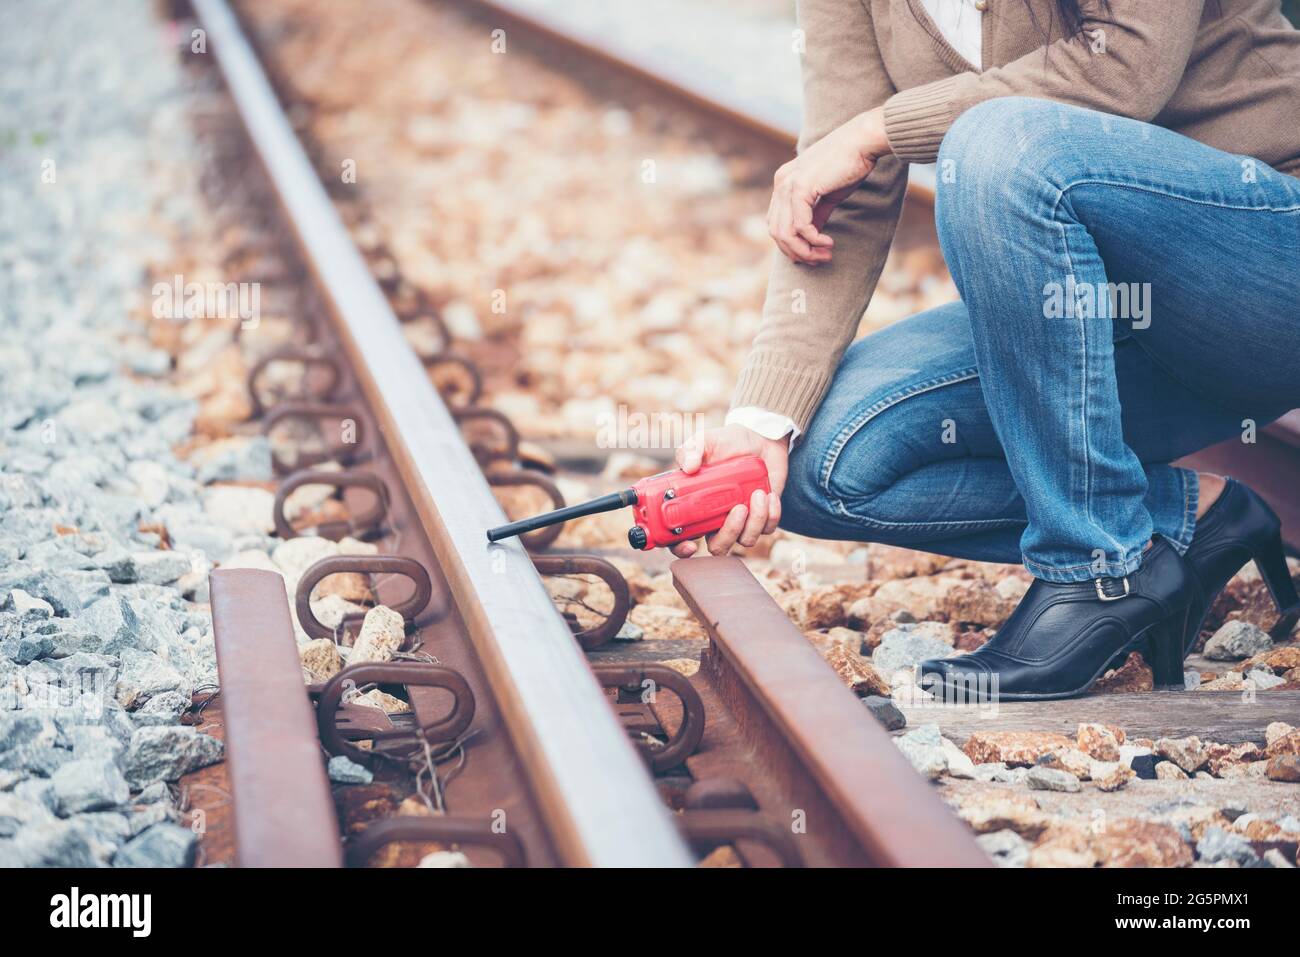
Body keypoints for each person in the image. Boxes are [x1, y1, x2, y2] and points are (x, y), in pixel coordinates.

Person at [672, 0, 1300, 699]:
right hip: (1115, 317)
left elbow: (1125, 67)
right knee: (826, 459)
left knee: (997, 146)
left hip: (1269, 265)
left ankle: (1096, 566)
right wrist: (761, 419)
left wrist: (879, 128)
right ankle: (1187, 523)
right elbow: (836, 187)